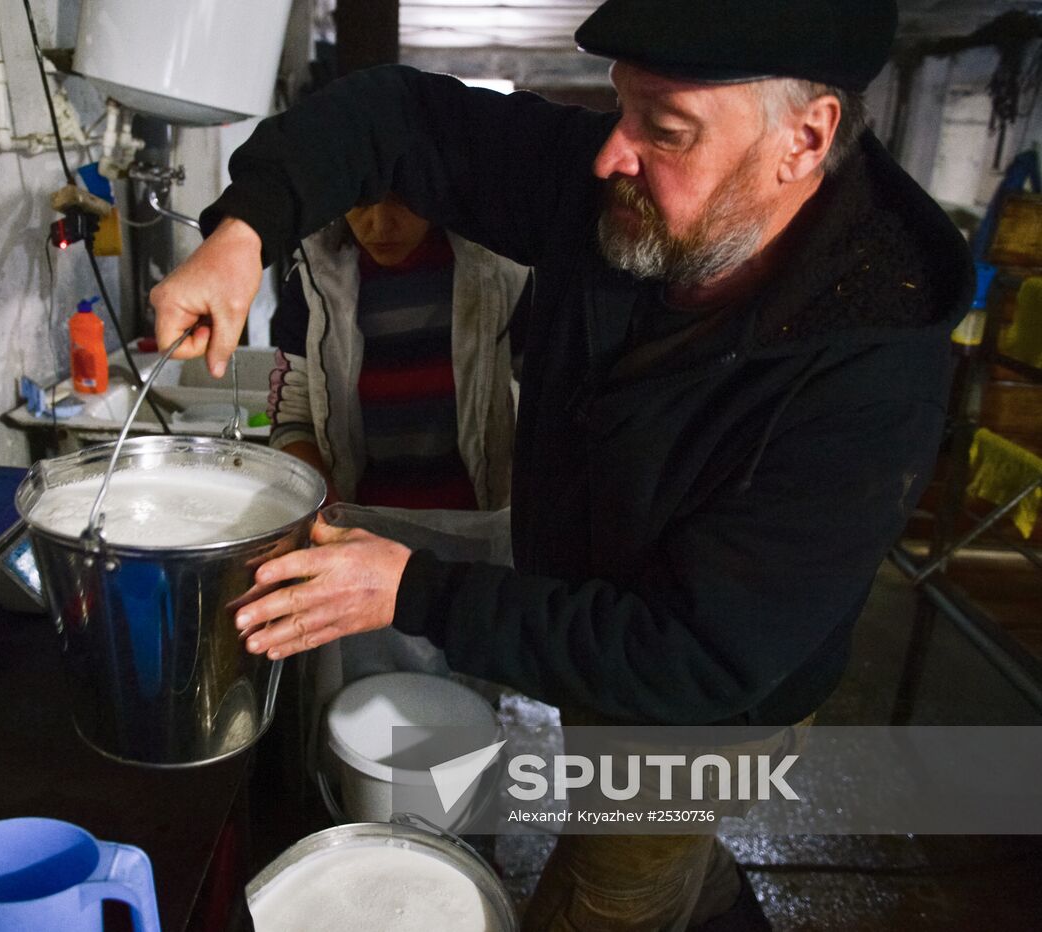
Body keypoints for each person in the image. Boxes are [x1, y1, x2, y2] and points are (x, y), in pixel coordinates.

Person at [150, 0, 973, 927]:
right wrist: (244, 232)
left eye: (664, 131)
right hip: (600, 629)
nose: (610, 155)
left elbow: (698, 655)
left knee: (611, 886)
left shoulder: (868, 380)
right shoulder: (626, 190)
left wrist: (412, 591)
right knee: (668, 862)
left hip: (698, 716)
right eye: (621, 110)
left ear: (804, 139)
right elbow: (397, 117)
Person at [269, 191, 529, 511]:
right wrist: (327, 513)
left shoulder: (495, 275)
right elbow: (292, 419)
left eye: (404, 199)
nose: (380, 225)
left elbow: (552, 395)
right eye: (361, 199)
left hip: (473, 529)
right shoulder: (313, 283)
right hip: (357, 530)